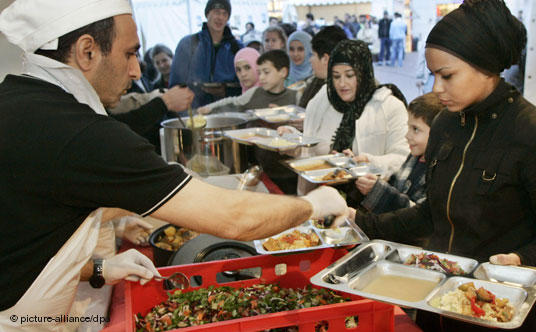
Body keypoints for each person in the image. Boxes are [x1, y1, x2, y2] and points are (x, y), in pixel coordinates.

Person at [0, 2, 347, 331]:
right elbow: (234, 218)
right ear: (87, 51)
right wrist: (314, 205)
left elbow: (29, 235)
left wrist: (99, 268)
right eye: (130, 53)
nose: (137, 71)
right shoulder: (79, 133)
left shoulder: (18, 101)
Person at [348, 1, 536, 331]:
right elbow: (434, 212)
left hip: (495, 304)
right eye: (433, 76)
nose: (436, 89)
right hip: (434, 298)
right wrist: (363, 222)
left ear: (485, 65)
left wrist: (522, 263)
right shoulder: (444, 125)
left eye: (447, 76)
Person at [279, 40, 409, 194]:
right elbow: (311, 151)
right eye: (335, 76)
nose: (342, 84)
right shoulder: (323, 100)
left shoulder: (388, 106)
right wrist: (291, 141)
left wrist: (370, 161)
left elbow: (404, 159)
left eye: (349, 75)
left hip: (370, 204)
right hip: (322, 198)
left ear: (364, 73)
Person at [355, 92, 443, 216]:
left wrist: (379, 192)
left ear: (438, 133)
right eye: (408, 127)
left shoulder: (439, 172)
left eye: (415, 129)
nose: (407, 135)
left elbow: (417, 217)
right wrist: (374, 184)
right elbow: (395, 186)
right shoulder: (413, 158)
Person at [169, 0, 242, 108]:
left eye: (224, 14)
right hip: (195, 111)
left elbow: (247, 85)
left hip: (229, 112)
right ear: (207, 14)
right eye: (216, 12)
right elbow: (176, 83)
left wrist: (227, 91)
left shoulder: (237, 48)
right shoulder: (189, 44)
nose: (220, 17)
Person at [197, 50, 296, 114]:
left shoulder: (295, 96)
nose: (261, 77)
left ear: (283, 72)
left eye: (266, 72)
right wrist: (208, 109)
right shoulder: (254, 93)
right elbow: (231, 102)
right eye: (259, 73)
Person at [297, 25, 348, 108]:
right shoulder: (316, 81)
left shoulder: (340, 91)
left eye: (312, 55)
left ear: (325, 59)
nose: (310, 60)